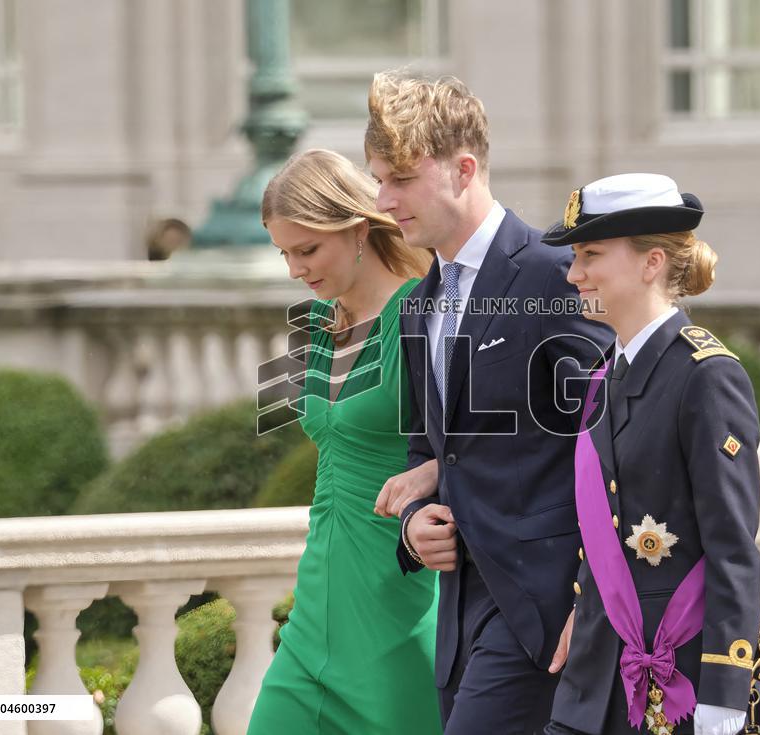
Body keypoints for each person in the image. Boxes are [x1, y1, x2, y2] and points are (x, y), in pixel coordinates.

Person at [366, 71, 613, 734]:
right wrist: (416, 523)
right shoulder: (418, 306)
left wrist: (593, 603)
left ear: (463, 168)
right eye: (379, 180)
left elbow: (614, 441)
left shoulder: (551, 274)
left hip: (545, 609)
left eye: (400, 178)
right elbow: (431, 450)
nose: (384, 199)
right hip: (460, 616)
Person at [541, 173, 760, 735]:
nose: (574, 274)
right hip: (597, 675)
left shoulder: (707, 377)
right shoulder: (600, 378)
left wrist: (723, 693)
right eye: (574, 256)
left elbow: (732, 548)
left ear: (651, 263)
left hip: (680, 681)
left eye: (591, 254)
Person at [246, 149, 442, 735]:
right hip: (318, 602)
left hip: (402, 595)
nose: (294, 269)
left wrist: (433, 478)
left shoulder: (423, 313)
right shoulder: (317, 324)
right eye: (284, 252)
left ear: (357, 229)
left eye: (307, 250)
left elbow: (481, 447)